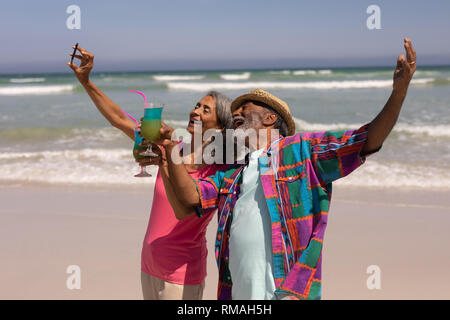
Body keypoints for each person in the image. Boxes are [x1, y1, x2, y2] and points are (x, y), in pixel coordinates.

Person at [155, 38, 417, 300]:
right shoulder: (232, 174)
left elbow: (365, 140)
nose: (236, 115)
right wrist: (169, 149)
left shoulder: (301, 151)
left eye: (244, 109)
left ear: (270, 119)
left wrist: (399, 93)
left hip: (285, 294)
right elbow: (191, 198)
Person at [67, 45, 233, 299]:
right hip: (150, 265)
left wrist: (166, 158)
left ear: (221, 127)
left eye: (205, 110)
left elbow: (185, 209)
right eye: (196, 105)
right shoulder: (171, 148)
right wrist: (86, 82)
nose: (195, 111)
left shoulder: (216, 172)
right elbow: (119, 119)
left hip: (181, 275)